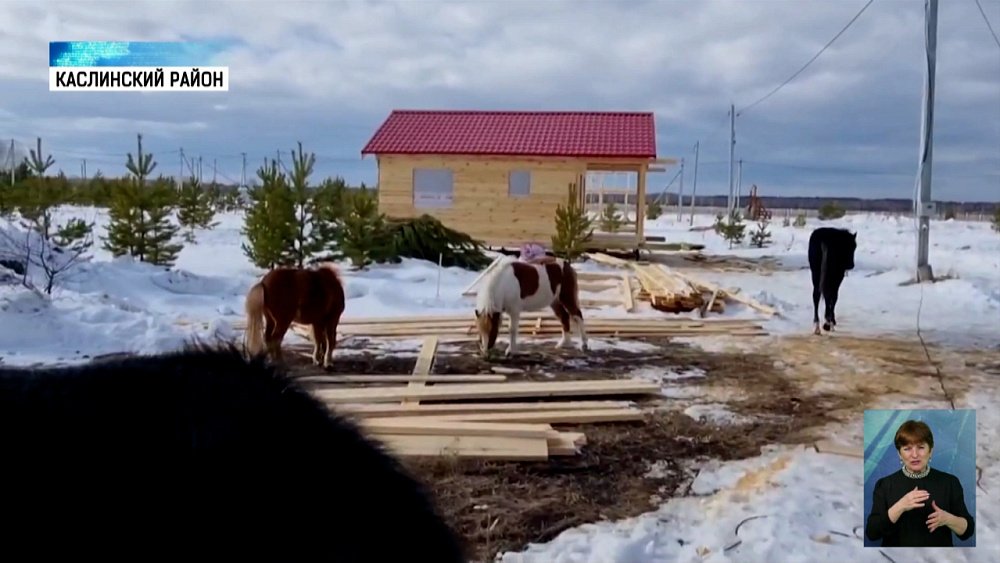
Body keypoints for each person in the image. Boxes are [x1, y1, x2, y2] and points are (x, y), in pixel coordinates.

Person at [865, 419, 976, 547]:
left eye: (921, 447)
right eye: (907, 449)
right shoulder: (884, 485)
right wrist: (901, 506)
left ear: (931, 451)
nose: (915, 454)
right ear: (899, 454)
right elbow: (872, 534)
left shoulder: (950, 483)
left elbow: (968, 531)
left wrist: (947, 519)